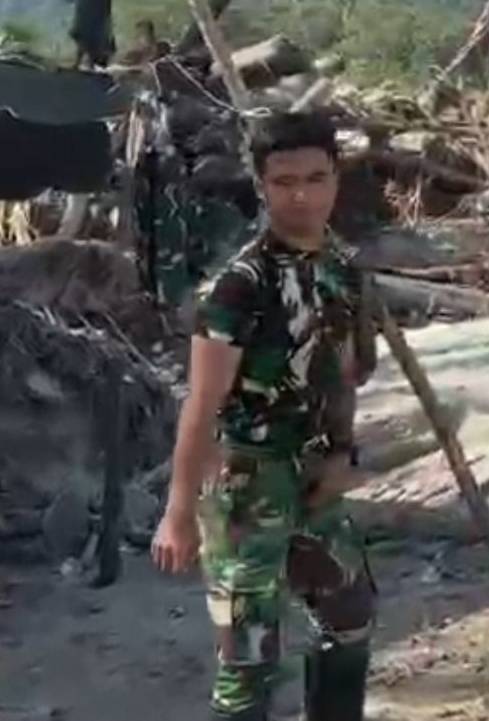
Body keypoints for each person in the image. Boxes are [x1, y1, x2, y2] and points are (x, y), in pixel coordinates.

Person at [151, 111, 380, 721]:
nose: (301, 196)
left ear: (336, 179)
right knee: (249, 661)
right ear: (260, 184)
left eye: (315, 178)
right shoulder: (238, 286)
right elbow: (201, 403)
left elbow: (345, 373)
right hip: (246, 486)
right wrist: (177, 514)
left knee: (350, 617)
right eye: (284, 182)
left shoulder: (343, 268)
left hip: (316, 477)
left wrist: (342, 453)